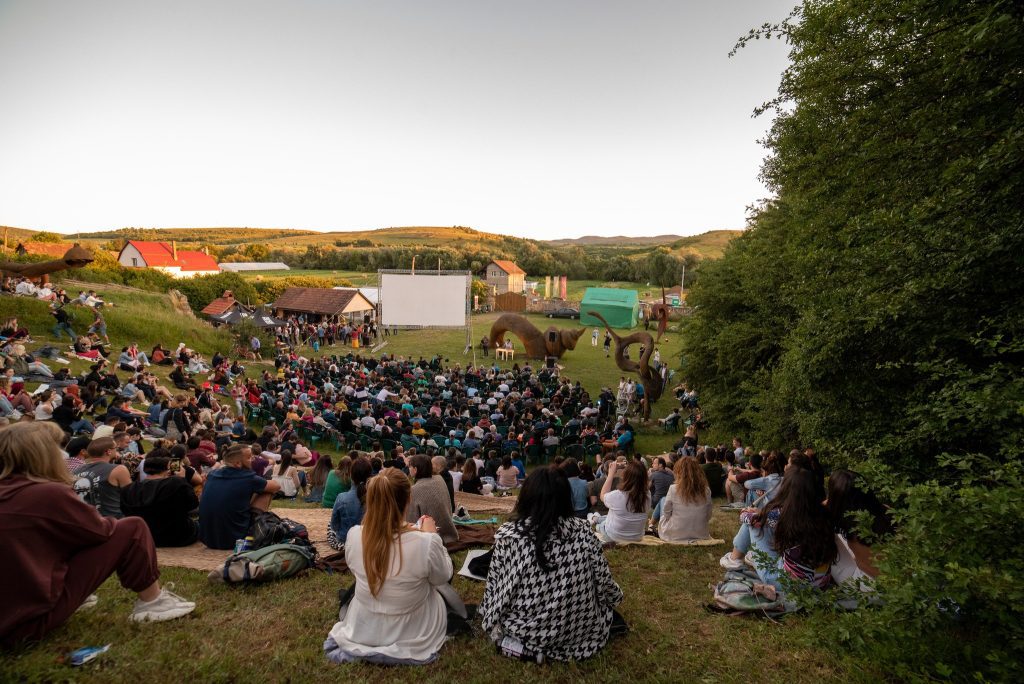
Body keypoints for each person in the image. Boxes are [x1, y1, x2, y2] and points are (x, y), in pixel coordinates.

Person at [0, 422, 195, 645]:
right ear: (44, 455)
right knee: (132, 528)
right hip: (26, 623)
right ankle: (153, 601)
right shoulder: (47, 494)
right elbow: (100, 532)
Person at [480, 466, 623, 662]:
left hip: (522, 629)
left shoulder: (509, 536)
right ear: (565, 498)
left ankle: (524, 650)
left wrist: (489, 613)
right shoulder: (582, 532)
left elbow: (494, 587)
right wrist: (615, 599)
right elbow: (604, 580)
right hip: (578, 631)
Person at [323, 467, 453, 665]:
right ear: (408, 498)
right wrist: (432, 535)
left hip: (363, 623)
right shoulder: (426, 543)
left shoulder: (354, 535)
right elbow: (443, 577)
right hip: (415, 628)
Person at [721, 469, 837, 592]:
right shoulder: (824, 513)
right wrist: (761, 514)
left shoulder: (784, 515)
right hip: (819, 584)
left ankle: (734, 559)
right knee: (759, 520)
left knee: (753, 523)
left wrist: (747, 511)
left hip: (784, 584)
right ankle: (742, 558)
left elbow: (747, 518)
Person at [198, 444, 280, 550]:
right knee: (267, 491)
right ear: (237, 463)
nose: (253, 459)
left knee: (256, 489)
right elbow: (276, 486)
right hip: (236, 540)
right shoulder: (247, 478)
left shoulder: (213, 474)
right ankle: (256, 531)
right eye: (249, 457)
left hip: (208, 539)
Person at [120, 451, 200, 547]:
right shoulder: (176, 483)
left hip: (144, 536)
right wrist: (182, 479)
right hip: (177, 537)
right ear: (168, 469)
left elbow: (125, 511)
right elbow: (193, 504)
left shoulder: (128, 489)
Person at [73, 436, 132, 519]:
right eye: (116, 448)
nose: (117, 451)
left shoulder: (76, 471)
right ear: (108, 451)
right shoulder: (119, 469)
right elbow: (131, 498)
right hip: (112, 522)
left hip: (83, 521)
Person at [656, 457, 713, 542]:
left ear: (679, 472)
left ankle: (651, 523)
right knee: (663, 500)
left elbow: (666, 514)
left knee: (663, 500)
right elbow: (708, 516)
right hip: (700, 533)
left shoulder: (673, 489)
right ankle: (651, 523)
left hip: (676, 534)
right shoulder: (706, 490)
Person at [407, 454, 458, 544]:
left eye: (410, 466)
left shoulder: (414, 490)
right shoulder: (439, 479)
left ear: (415, 469)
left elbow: (412, 520)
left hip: (431, 535)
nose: (408, 468)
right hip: (448, 530)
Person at [598, 460, 650, 542]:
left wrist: (611, 473)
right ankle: (596, 518)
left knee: (600, 525)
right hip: (637, 537)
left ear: (626, 476)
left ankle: (594, 518)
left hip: (614, 536)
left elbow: (602, 495)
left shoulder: (617, 495)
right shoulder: (647, 494)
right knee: (606, 517)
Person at [328, 456, 373, 550]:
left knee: (330, 525)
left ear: (351, 475)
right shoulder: (377, 498)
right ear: (370, 476)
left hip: (345, 541)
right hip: (369, 541)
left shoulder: (341, 498)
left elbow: (334, 525)